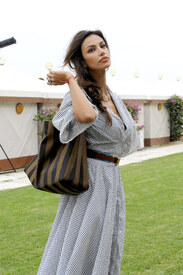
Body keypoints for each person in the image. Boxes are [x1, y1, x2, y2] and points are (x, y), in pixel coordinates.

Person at [37, 30, 138, 275]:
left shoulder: (113, 96)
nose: (101, 51)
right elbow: (86, 116)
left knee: (106, 245)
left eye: (103, 46)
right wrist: (71, 80)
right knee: (81, 247)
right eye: (91, 49)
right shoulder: (78, 94)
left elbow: (125, 139)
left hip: (111, 179)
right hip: (90, 183)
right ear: (83, 61)